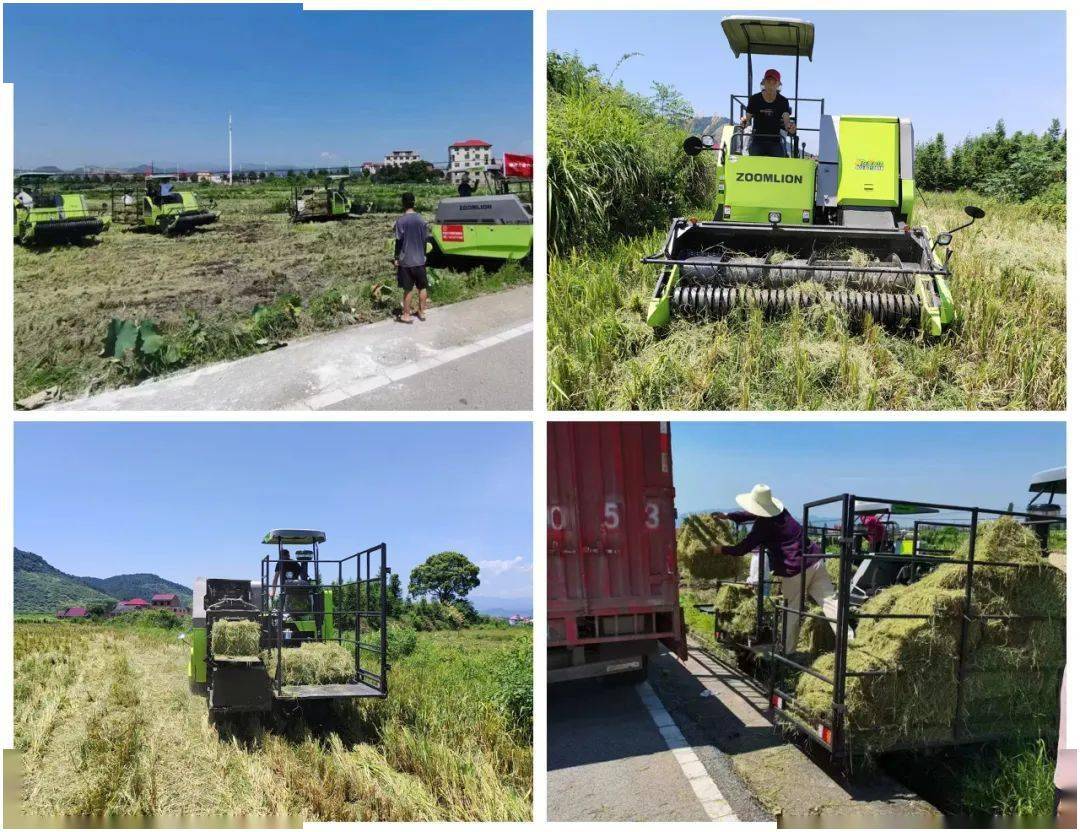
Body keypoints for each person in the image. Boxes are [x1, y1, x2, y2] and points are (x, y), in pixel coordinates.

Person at [711, 483, 844, 653]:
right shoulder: (783, 512)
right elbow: (751, 514)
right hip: (815, 559)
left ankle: (788, 654)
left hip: (794, 570)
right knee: (830, 602)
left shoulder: (762, 526)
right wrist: (729, 516)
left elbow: (741, 549)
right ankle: (849, 640)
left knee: (791, 612)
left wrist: (720, 549)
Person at [740, 68, 797, 158]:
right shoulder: (754, 99)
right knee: (752, 160)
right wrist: (744, 121)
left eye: (774, 82)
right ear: (763, 82)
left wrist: (790, 128)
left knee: (780, 159)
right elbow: (747, 119)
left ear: (778, 84)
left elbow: (787, 123)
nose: (771, 84)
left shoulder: (783, 101)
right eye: (768, 81)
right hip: (757, 140)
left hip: (775, 141)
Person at [393, 191, 429, 323]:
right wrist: (424, 255)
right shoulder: (421, 219)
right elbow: (425, 240)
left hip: (406, 261)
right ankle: (422, 312)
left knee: (408, 289)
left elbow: (398, 241)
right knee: (422, 287)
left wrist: (396, 258)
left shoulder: (400, 221)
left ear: (403, 203)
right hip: (419, 260)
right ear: (414, 202)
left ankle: (406, 315)